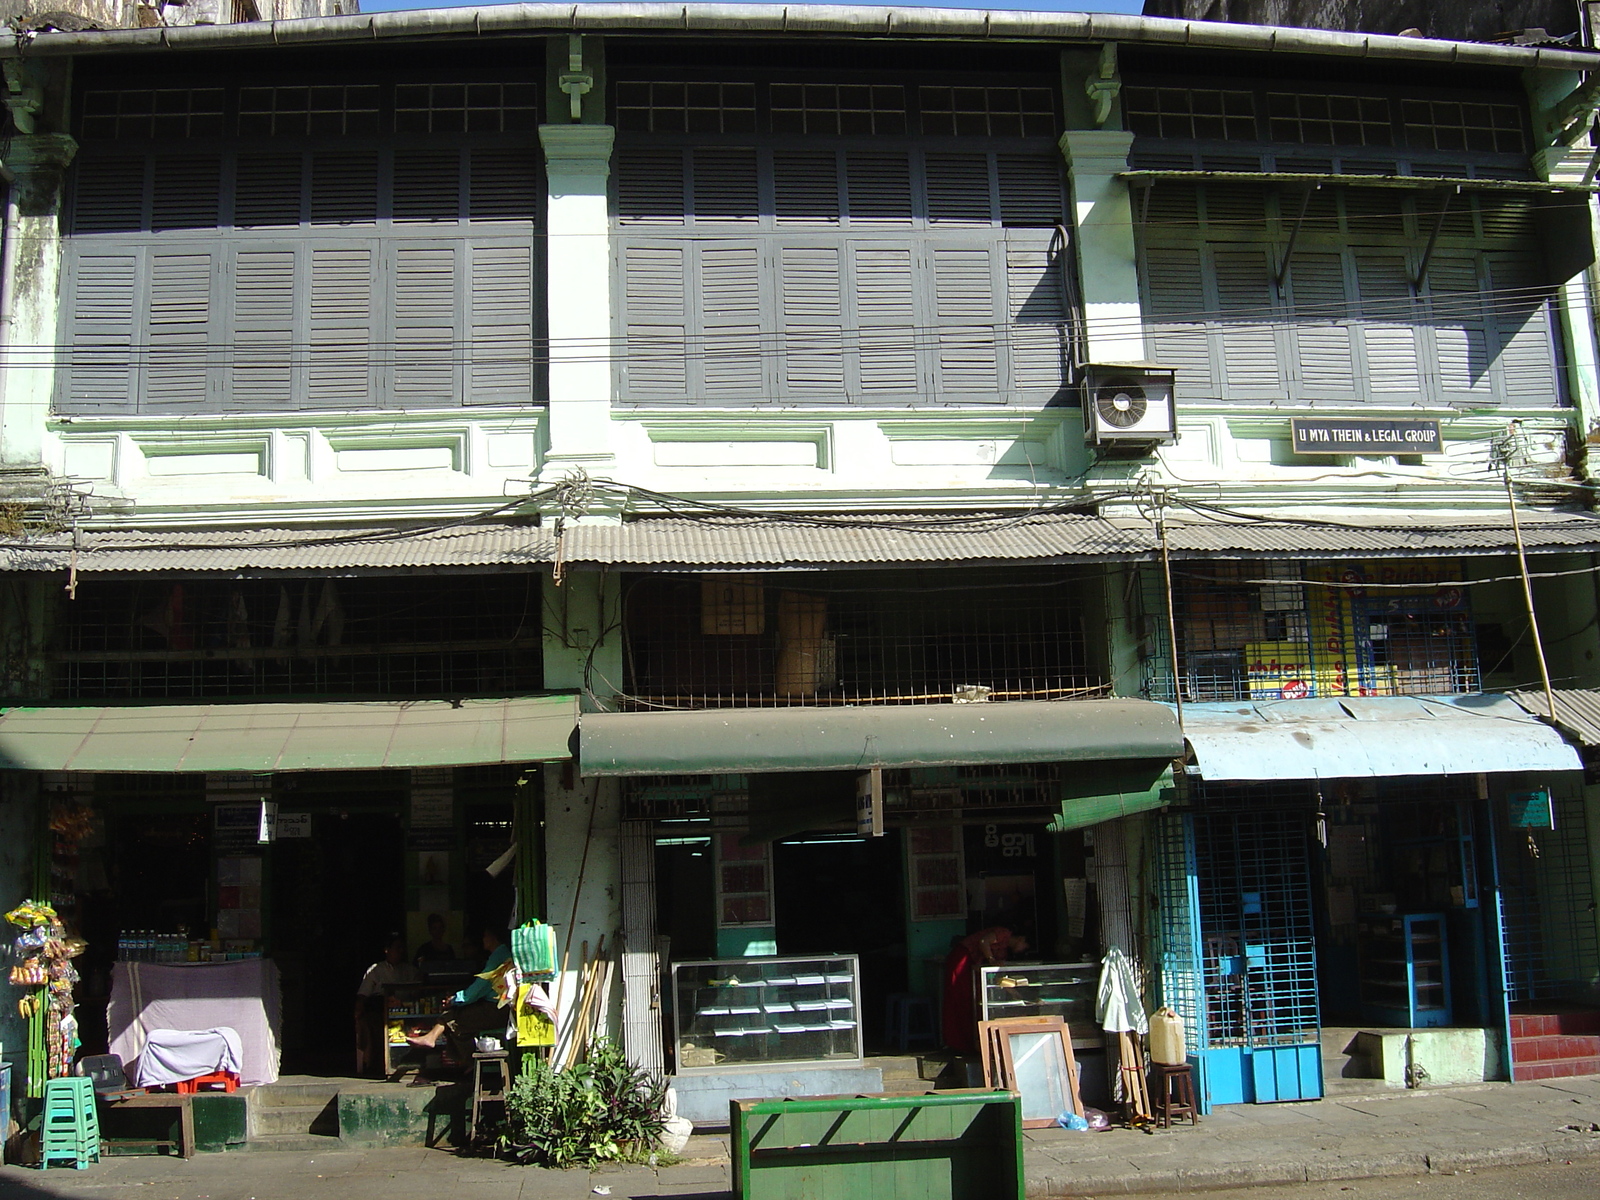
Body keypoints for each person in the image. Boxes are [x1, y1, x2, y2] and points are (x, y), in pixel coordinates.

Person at [404, 925, 512, 1062]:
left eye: (485, 936)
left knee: (453, 1016)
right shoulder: (503, 954)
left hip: (496, 1009)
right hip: (501, 1008)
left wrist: (456, 999)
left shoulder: (499, 957)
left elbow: (478, 989)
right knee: (455, 1020)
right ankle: (463, 1061)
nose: (483, 939)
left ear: (494, 937)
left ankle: (440, 1044)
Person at [941, 926, 1030, 1056]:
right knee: (958, 999)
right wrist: (991, 960)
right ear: (1021, 939)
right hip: (963, 958)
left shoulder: (1004, 952)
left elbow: (999, 975)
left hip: (972, 968)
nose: (1023, 949)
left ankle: (970, 1043)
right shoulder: (1004, 933)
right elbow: (984, 942)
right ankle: (956, 1043)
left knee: (971, 1002)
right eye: (1025, 945)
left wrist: (1016, 995)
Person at [354, 934, 420, 1076]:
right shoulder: (376, 970)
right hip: (380, 1010)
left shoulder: (410, 970)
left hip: (406, 1010)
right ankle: (376, 1066)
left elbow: (418, 991)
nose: (400, 951)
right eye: (397, 948)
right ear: (387, 950)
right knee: (375, 1026)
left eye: (402, 948)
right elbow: (363, 994)